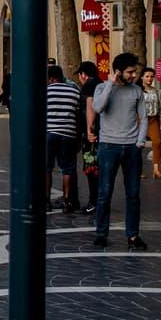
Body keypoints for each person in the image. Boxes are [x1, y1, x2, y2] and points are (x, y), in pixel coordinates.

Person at [92, 52, 149, 250]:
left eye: (134, 72)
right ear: (118, 72)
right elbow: (98, 108)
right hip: (108, 146)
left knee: (133, 194)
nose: (134, 75)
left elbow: (144, 117)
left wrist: (140, 142)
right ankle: (101, 233)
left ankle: (133, 236)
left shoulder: (137, 91)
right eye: (130, 72)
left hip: (132, 148)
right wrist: (110, 84)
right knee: (104, 193)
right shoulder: (102, 87)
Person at [44, 64, 82, 213]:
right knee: (68, 168)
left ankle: (46, 200)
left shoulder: (45, 91)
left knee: (47, 168)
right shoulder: (74, 90)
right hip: (68, 133)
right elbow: (78, 114)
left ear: (51, 78)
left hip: (49, 133)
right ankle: (68, 200)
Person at [74, 61, 102, 214]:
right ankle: (99, 200)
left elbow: (88, 109)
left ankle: (94, 201)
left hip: (92, 135)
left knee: (91, 168)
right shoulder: (102, 84)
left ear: (83, 74)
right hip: (103, 132)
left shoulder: (88, 87)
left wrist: (88, 131)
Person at [140, 67, 161, 180]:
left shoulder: (155, 90)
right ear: (142, 77)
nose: (150, 79)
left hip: (154, 119)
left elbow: (159, 105)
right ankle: (138, 170)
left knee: (157, 142)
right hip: (140, 119)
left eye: (151, 76)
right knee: (138, 145)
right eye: (147, 76)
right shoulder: (138, 90)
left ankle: (156, 169)